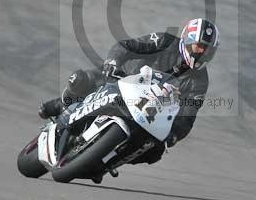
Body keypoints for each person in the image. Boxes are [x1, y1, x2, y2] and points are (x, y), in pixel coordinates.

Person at [38, 18, 219, 166]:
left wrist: (174, 135)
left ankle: (106, 163)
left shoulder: (200, 80)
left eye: (206, 50)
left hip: (148, 112)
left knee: (155, 151)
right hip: (121, 78)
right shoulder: (165, 41)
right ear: (186, 41)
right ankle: (61, 104)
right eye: (198, 47)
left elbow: (188, 115)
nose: (200, 53)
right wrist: (113, 63)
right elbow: (128, 46)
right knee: (79, 79)